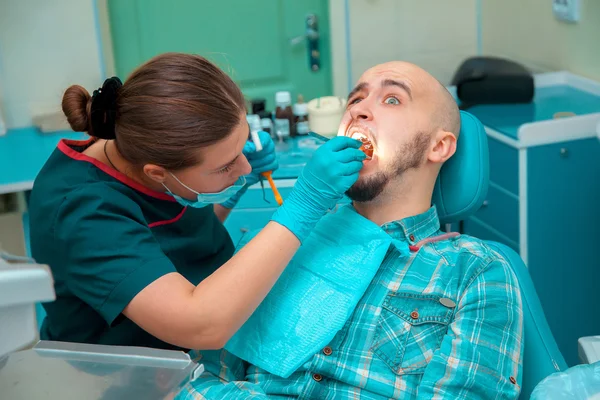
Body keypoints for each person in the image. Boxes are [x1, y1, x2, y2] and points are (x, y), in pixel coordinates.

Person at [179, 61, 524, 399]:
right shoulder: (282, 245)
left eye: (392, 99)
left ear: (439, 146)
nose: (358, 111)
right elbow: (201, 380)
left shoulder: (477, 272)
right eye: (355, 100)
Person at [28, 53, 367, 351]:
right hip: (123, 375)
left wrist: (233, 182)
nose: (246, 166)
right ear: (157, 173)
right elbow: (201, 325)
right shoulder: (86, 213)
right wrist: (303, 206)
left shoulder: (138, 149)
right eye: (226, 164)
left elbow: (181, 238)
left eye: (242, 143)